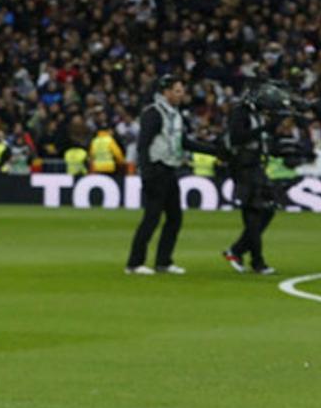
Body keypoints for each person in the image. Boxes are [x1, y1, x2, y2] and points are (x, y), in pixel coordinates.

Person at [125, 74, 215, 275]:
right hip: (156, 170)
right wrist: (146, 173)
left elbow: (184, 142)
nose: (182, 94)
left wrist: (214, 150)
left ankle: (163, 262)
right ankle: (134, 263)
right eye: (177, 90)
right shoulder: (153, 113)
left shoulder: (174, 114)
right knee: (152, 218)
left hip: (169, 170)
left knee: (175, 218)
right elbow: (143, 145)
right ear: (165, 92)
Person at [221, 83, 303, 276]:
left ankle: (238, 251)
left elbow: (261, 141)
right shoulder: (240, 113)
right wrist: (265, 127)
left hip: (256, 167)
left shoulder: (255, 114)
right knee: (254, 215)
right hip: (244, 169)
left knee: (265, 211)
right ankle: (256, 261)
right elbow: (236, 137)